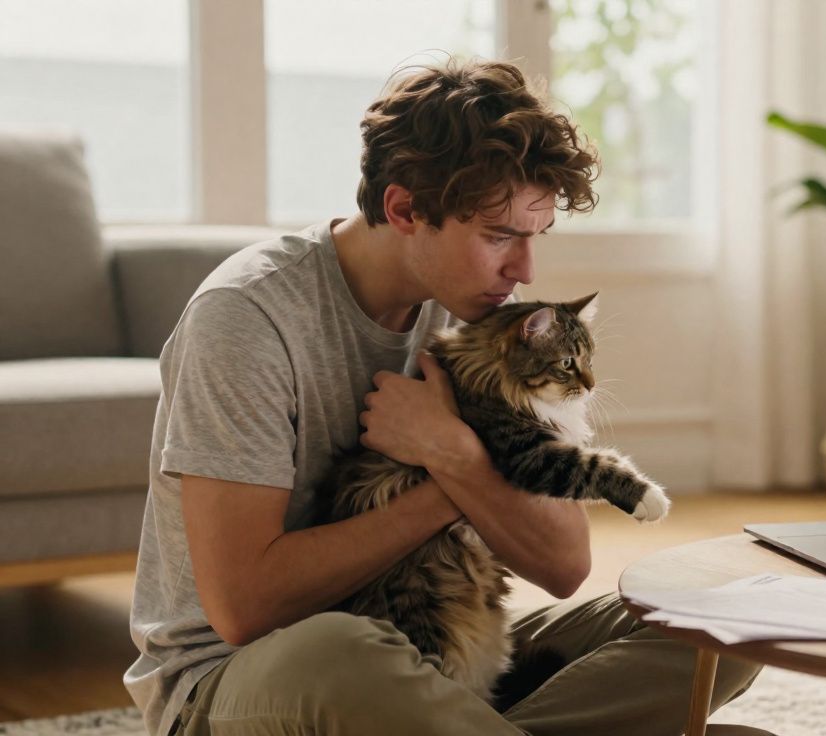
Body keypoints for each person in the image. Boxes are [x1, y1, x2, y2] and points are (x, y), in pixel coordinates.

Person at [124, 58, 768, 736]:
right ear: (404, 208)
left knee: (714, 627)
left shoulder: (485, 322)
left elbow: (563, 562)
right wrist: (440, 488)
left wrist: (453, 452)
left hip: (428, 663)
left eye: (533, 237)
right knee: (343, 650)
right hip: (244, 678)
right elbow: (245, 607)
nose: (524, 271)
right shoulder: (247, 318)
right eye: (499, 237)